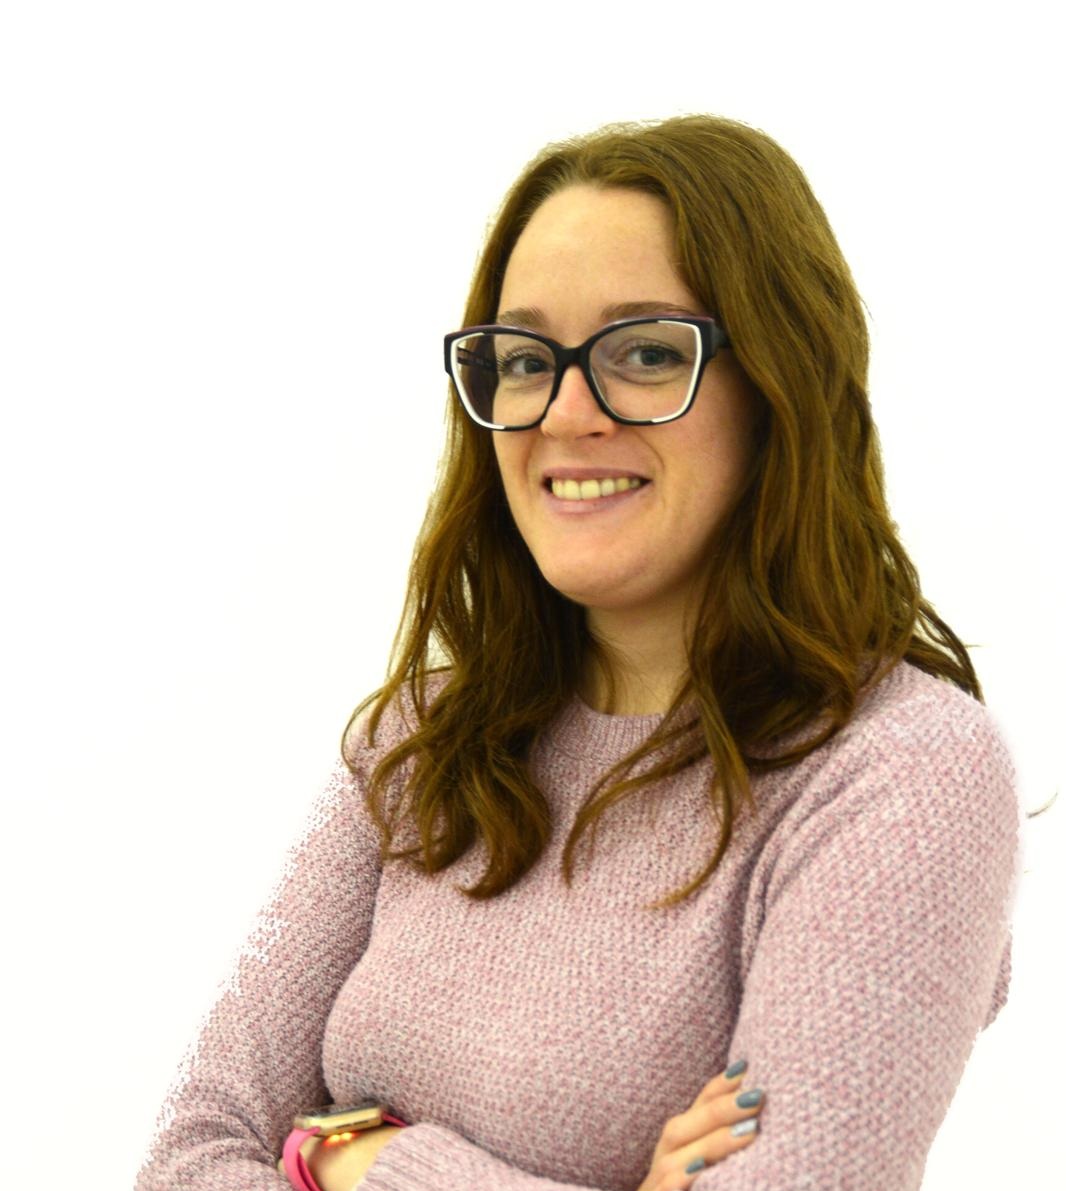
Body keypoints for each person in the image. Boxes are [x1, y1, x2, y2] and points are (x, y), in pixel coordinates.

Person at [134, 115, 1019, 1191]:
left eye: (644, 353)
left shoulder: (901, 775)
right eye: (523, 360)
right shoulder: (414, 741)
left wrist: (361, 1157)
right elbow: (188, 1154)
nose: (564, 412)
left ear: (779, 385)